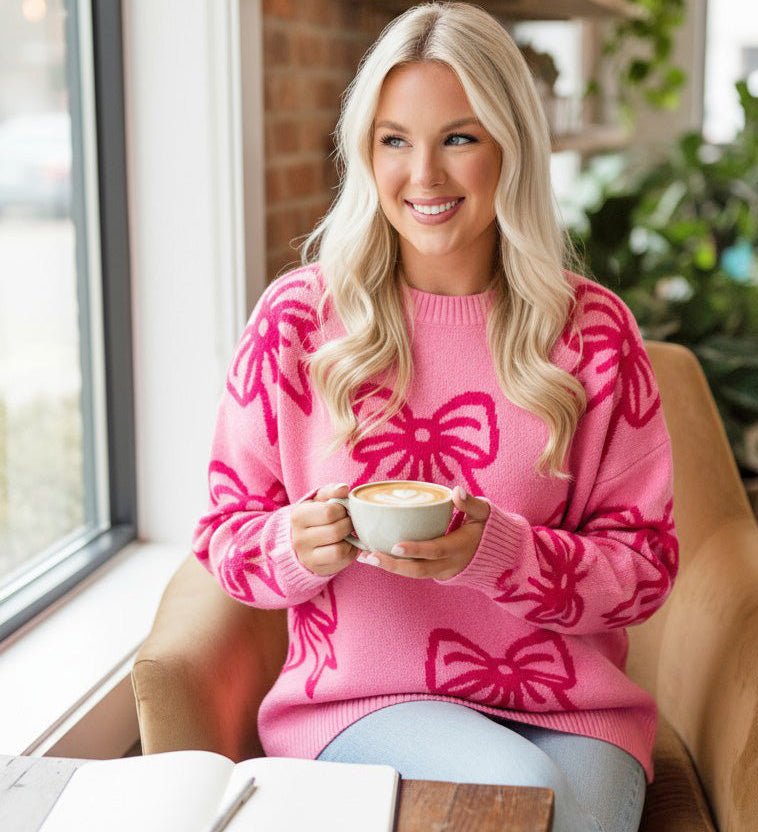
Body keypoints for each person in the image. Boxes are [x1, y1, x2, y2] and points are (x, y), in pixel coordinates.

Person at [192, 3, 678, 831]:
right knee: (519, 792)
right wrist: (293, 547)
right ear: (365, 151)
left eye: (458, 138)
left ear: (510, 147)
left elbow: (647, 567)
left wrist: (501, 554)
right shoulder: (297, 321)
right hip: (360, 702)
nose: (423, 174)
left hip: (574, 711)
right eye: (394, 140)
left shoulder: (595, 334)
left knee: (560, 807)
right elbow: (220, 539)